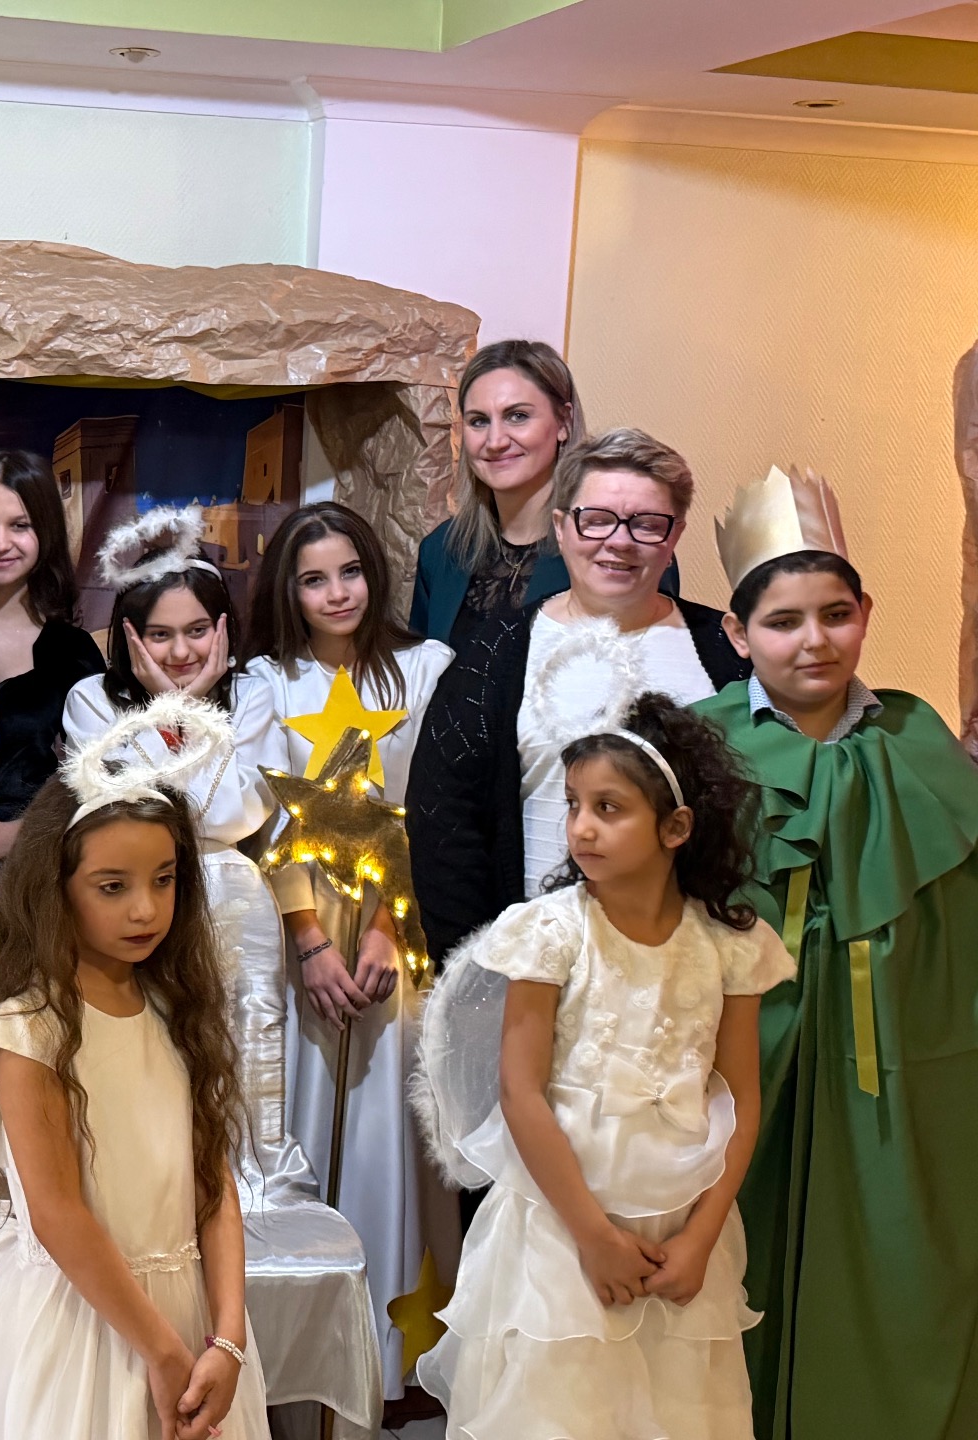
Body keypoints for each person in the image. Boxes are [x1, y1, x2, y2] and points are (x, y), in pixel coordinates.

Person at [416, 694, 793, 1439]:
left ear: (675, 828)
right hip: (562, 1223)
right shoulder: (551, 934)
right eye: (573, 805)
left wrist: (700, 1239)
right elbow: (521, 1092)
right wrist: (594, 1237)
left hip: (681, 1226)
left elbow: (742, 1100)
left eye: (608, 808)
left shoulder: (729, 947)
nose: (581, 827)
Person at [695, 466, 978, 1440]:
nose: (814, 640)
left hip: (895, 1064)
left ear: (866, 615)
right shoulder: (697, 748)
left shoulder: (917, 738)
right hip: (744, 1062)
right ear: (737, 634)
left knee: (902, 1264)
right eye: (783, 621)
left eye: (836, 614)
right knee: (735, 1269)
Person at [0, 694, 267, 1440]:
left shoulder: (176, 1005)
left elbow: (213, 1184)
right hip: (89, 1324)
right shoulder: (31, 1026)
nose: (145, 910)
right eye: (113, 887)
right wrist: (162, 1352)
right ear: (55, 888)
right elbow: (58, 1213)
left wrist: (228, 1336)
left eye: (164, 879)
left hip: (192, 1321)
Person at [240, 501, 455, 1398]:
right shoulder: (266, 681)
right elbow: (259, 819)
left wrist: (386, 925)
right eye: (313, 579)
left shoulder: (426, 667)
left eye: (351, 572)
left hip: (394, 925)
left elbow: (434, 809)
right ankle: (300, 1366)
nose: (337, 593)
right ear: (288, 591)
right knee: (303, 1119)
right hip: (301, 929)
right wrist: (309, 942)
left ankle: (386, 1362)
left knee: (386, 1130)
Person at [408, 428, 748, 962]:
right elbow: (444, 825)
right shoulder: (493, 655)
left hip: (694, 971)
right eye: (597, 519)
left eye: (646, 523)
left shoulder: (728, 652)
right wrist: (479, 971)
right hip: (538, 970)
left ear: (675, 536)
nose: (619, 541)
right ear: (562, 527)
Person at [62, 509, 283, 1053]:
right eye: (160, 635)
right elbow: (126, 813)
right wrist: (172, 710)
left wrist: (186, 710)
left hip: (235, 906)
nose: (181, 653)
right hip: (130, 908)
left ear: (222, 628)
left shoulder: (252, 696)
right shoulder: (91, 700)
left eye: (197, 631)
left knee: (246, 1064)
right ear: (130, 635)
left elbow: (234, 818)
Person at [408, 341, 681, 648]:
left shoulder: (625, 549)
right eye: (479, 421)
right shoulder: (440, 551)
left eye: (517, 416)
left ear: (564, 422)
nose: (495, 441)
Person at [0, 451, 104, 871]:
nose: (0, 543)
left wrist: (12, 835)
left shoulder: (73, 652)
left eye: (20, 525)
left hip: (28, 873)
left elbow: (103, 780)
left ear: (45, 532)